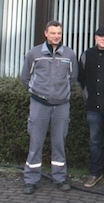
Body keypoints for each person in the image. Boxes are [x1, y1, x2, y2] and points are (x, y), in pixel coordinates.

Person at [21, 20, 78, 195]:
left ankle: (60, 178)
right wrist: (38, 92)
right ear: (46, 33)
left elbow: (72, 79)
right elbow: (25, 78)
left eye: (59, 33)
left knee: (59, 143)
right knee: (35, 143)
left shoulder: (69, 54)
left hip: (61, 106)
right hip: (39, 104)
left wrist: (61, 93)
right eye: (53, 33)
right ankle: (31, 179)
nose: (56, 36)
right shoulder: (34, 53)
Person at [78, 26, 104, 189]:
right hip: (92, 107)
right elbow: (81, 79)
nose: (103, 39)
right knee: (94, 141)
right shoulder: (86, 55)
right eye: (100, 36)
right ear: (95, 38)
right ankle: (95, 172)